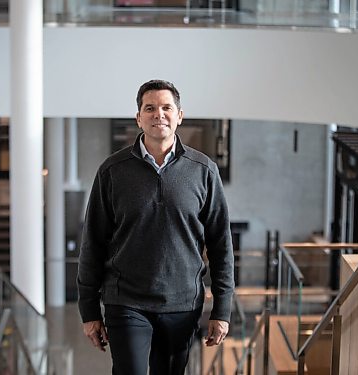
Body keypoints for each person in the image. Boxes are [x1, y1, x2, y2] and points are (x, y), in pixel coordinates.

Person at [77, 79, 234, 375]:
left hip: (182, 303)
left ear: (179, 115)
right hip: (126, 301)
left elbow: (220, 245)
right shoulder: (112, 171)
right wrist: (89, 310)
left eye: (166, 107)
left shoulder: (203, 170)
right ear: (138, 117)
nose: (158, 114)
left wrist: (222, 309)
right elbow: (93, 243)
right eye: (149, 108)